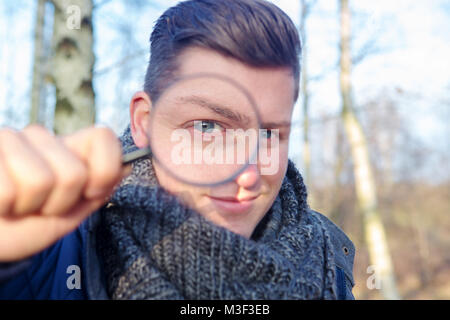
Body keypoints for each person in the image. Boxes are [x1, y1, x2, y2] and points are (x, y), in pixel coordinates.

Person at [0, 0, 355, 300]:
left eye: (267, 134)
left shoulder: (329, 264)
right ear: (143, 122)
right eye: (208, 128)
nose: (247, 174)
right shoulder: (49, 258)